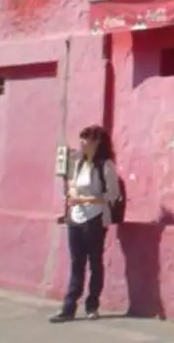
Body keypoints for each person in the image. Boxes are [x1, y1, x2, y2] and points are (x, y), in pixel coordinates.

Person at [50, 125, 122, 323]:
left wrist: (86, 200)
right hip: (76, 217)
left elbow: (112, 194)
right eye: (82, 138)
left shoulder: (106, 165)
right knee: (77, 263)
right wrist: (72, 194)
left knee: (95, 262)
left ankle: (92, 305)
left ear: (96, 142)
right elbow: (73, 185)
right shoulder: (80, 163)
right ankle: (68, 308)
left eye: (86, 139)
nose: (82, 143)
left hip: (95, 218)